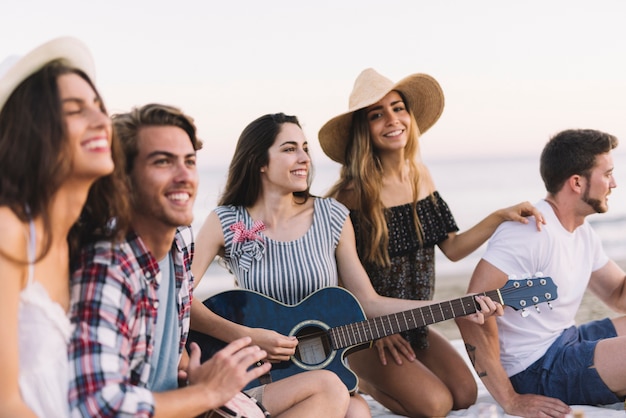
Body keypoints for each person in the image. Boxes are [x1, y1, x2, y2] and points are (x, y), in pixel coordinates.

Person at [189, 112, 502, 418]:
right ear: (259, 161)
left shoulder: (332, 216)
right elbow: (179, 297)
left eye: (305, 149)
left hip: (316, 365)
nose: (303, 158)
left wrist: (456, 304)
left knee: (358, 411)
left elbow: (368, 301)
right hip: (254, 370)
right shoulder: (226, 221)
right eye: (289, 149)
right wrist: (247, 336)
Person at [68, 103, 349, 418]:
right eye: (162, 162)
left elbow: (173, 329)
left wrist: (194, 376)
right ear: (123, 179)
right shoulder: (107, 268)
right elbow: (98, 405)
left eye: (189, 161)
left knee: (333, 390)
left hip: (189, 402)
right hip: (159, 409)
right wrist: (205, 393)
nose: (184, 175)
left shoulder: (180, 240)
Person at [318, 67, 545, 417]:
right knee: (435, 405)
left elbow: (452, 248)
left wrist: (499, 216)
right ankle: (360, 376)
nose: (392, 119)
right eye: (377, 115)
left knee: (465, 394)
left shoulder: (421, 176)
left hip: (415, 321)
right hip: (368, 331)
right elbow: (332, 278)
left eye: (398, 108)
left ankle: (391, 375)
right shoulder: (351, 196)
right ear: (364, 130)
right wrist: (374, 329)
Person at [455, 128, 626, 417]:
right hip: (535, 369)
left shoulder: (582, 233)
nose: (614, 183)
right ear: (576, 182)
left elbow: (618, 295)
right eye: (607, 174)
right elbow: (470, 313)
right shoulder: (529, 231)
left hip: (566, 339)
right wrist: (510, 400)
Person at [0, 37, 127, 417]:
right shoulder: (10, 230)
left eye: (98, 107)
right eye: (75, 111)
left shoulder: (79, 243)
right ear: (32, 130)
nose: (101, 121)